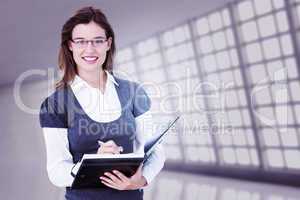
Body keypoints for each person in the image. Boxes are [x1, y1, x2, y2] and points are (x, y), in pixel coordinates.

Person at [39, 6, 165, 200]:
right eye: (81, 41)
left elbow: (155, 151)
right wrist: (93, 163)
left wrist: (141, 180)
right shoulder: (55, 105)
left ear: (108, 43)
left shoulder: (133, 93)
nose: (90, 49)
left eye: (98, 41)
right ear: (70, 45)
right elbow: (56, 170)